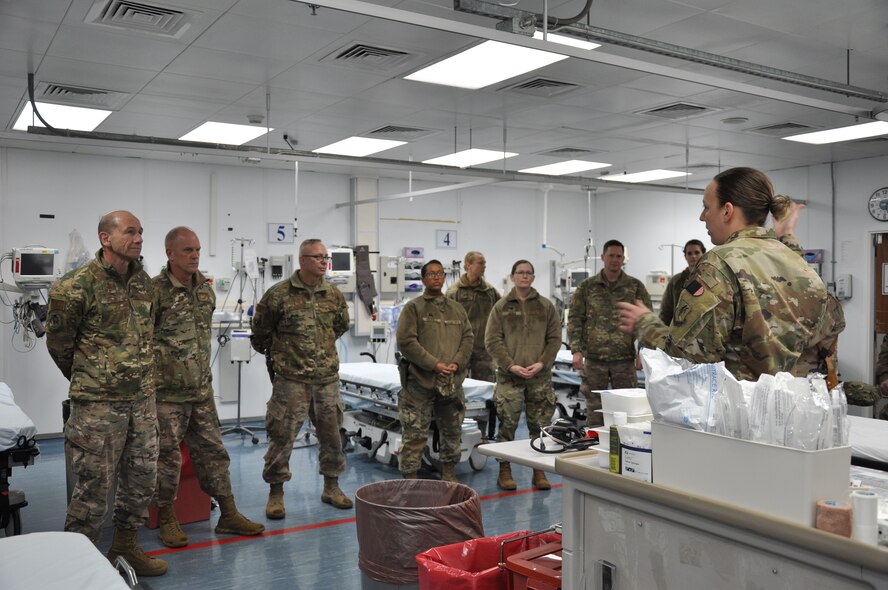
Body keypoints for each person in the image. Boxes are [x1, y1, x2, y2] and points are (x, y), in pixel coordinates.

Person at [616, 167, 844, 381]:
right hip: (792, 408)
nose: (702, 216)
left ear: (727, 211)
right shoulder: (797, 262)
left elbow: (688, 357)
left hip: (737, 411)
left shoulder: (720, 263)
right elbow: (830, 330)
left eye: (706, 207)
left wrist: (645, 324)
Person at [45, 210, 167, 577]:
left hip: (142, 403)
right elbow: (59, 345)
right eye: (130, 232)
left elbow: (150, 332)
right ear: (105, 238)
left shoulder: (146, 284)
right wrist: (94, 379)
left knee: (142, 479)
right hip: (97, 407)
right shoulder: (74, 287)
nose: (139, 238)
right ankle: (77, 566)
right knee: (94, 489)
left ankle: (126, 547)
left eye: (141, 232)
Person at [152, 227, 264, 547]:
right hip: (166, 394)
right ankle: (167, 519)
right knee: (166, 459)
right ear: (170, 253)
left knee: (214, 453)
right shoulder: (154, 291)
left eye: (198, 249)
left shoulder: (205, 289)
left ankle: (228, 514)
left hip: (200, 390)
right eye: (188, 250)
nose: (195, 255)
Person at [251, 238, 352, 519]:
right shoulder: (278, 295)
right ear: (303, 260)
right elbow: (260, 334)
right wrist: (286, 358)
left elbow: (340, 327)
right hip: (291, 381)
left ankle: (331, 487)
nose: (324, 262)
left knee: (332, 437)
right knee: (281, 438)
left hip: (326, 380)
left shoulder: (333, 295)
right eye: (318, 257)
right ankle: (276, 493)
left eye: (326, 257)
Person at [485, 260, 561, 491]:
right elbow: (492, 340)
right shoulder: (501, 307)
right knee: (507, 426)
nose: (524, 276)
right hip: (510, 377)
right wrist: (510, 365)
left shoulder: (546, 306)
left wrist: (542, 363)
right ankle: (504, 470)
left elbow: (554, 339)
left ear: (533, 277)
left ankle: (539, 471)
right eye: (520, 273)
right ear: (513, 276)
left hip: (539, 376)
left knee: (540, 426)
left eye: (528, 273)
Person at [396, 260, 474, 481]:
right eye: (431, 274)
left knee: (452, 431)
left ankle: (449, 472)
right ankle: (410, 478)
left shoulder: (457, 309)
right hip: (420, 384)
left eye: (440, 273)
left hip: (451, 383)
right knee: (414, 435)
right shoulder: (414, 308)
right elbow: (406, 342)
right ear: (423, 279)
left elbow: (468, 338)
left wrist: (456, 363)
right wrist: (435, 364)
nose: (436, 277)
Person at [568, 240, 651, 426]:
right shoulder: (587, 287)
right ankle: (595, 445)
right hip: (594, 360)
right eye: (611, 256)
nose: (615, 260)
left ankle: (626, 447)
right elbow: (575, 319)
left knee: (628, 409)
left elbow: (645, 320)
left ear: (623, 259)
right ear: (603, 257)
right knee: (595, 409)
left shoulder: (635, 287)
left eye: (619, 256)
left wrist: (643, 352)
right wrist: (576, 350)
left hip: (624, 360)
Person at [446, 251, 500, 382]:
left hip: (484, 350)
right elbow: (445, 321)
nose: (484, 266)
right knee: (457, 385)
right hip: (460, 348)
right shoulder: (454, 292)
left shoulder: (489, 291)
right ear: (468, 265)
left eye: (485, 264)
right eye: (481, 263)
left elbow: (501, 314)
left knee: (486, 387)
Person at [659, 239, 706, 325]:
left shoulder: (710, 278)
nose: (693, 256)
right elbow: (666, 310)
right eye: (689, 253)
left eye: (697, 252)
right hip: (680, 331)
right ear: (685, 256)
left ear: (703, 254)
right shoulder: (676, 281)